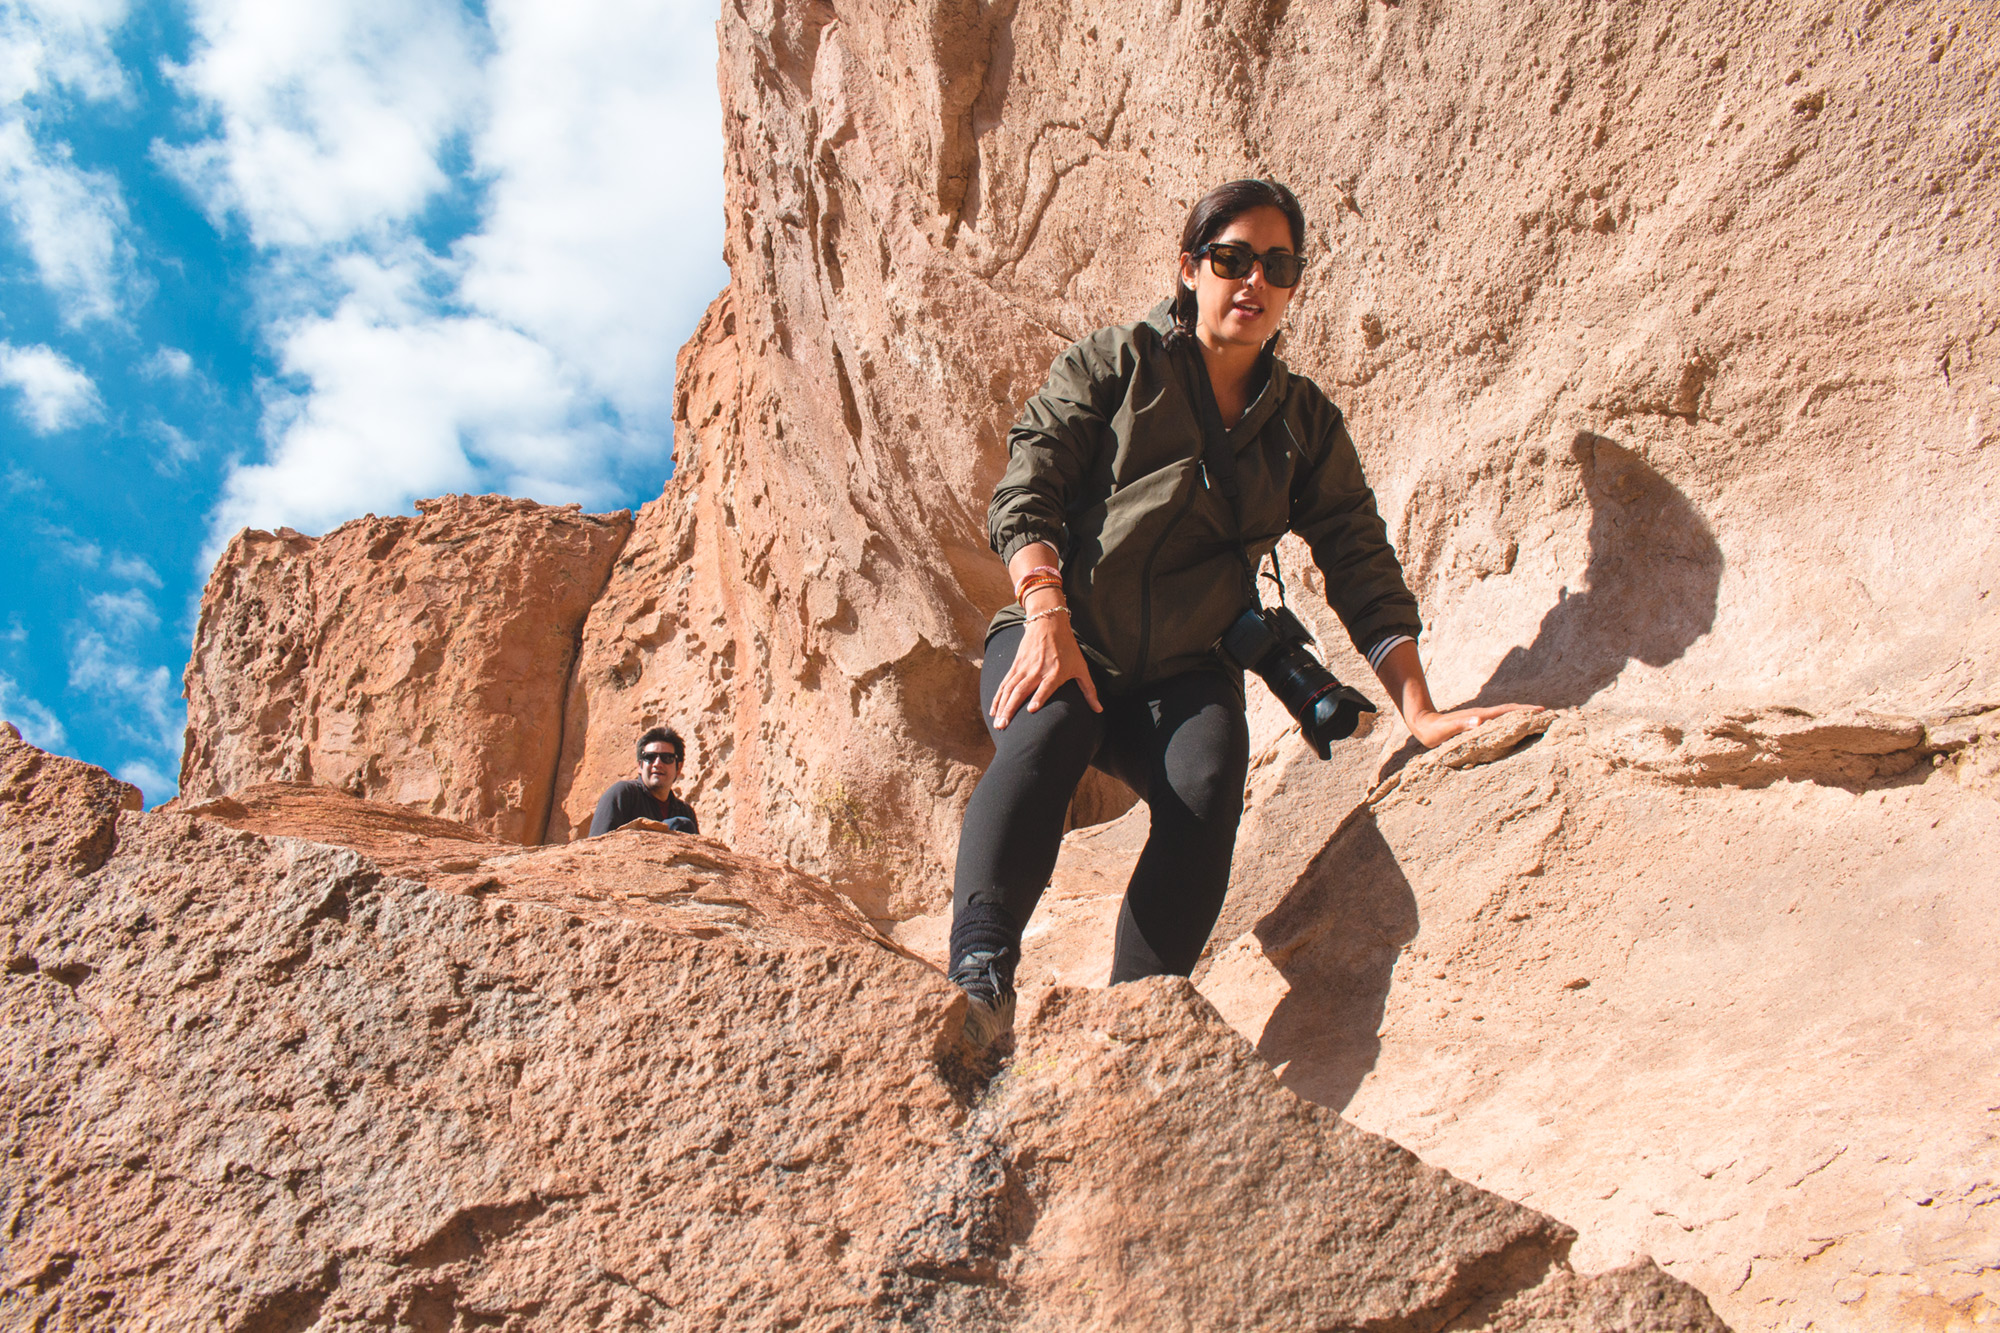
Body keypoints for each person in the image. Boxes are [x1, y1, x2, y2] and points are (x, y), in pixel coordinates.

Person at [948, 178, 1540, 1050]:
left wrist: (1421, 710)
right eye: (1231, 258)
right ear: (1190, 268)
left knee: (1207, 783)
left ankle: (1135, 1027)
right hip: (1067, 636)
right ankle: (978, 986)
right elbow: (1027, 481)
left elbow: (1359, 557)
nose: (1253, 280)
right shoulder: (1117, 363)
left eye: (1278, 265)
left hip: (1187, 671)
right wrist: (1045, 614)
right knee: (1051, 729)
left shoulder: (1303, 424)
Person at [590, 726, 700, 836]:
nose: (657, 764)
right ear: (640, 765)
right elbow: (597, 843)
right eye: (650, 757)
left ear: (679, 767)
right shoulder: (623, 795)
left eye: (667, 758)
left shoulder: (685, 812)